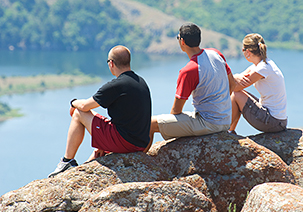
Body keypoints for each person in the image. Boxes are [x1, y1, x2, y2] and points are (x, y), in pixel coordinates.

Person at [48, 45, 152, 177]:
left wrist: (73, 102)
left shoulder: (116, 85)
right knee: (95, 122)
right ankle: (86, 165)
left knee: (79, 113)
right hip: (140, 143)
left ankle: (67, 161)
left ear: (111, 63)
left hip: (125, 143)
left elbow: (85, 106)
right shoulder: (141, 82)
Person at [149, 22, 237, 144]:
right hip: (226, 121)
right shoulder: (216, 53)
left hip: (208, 124)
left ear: (182, 42)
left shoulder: (189, 70)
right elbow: (232, 84)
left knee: (149, 125)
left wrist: (172, 126)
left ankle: (139, 160)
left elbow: (176, 110)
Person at [229, 33, 287, 134]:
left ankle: (229, 131)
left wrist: (234, 77)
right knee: (237, 94)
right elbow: (236, 81)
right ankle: (230, 130)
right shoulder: (263, 65)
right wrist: (236, 77)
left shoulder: (262, 69)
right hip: (278, 120)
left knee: (236, 94)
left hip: (273, 122)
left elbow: (235, 86)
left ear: (247, 52)